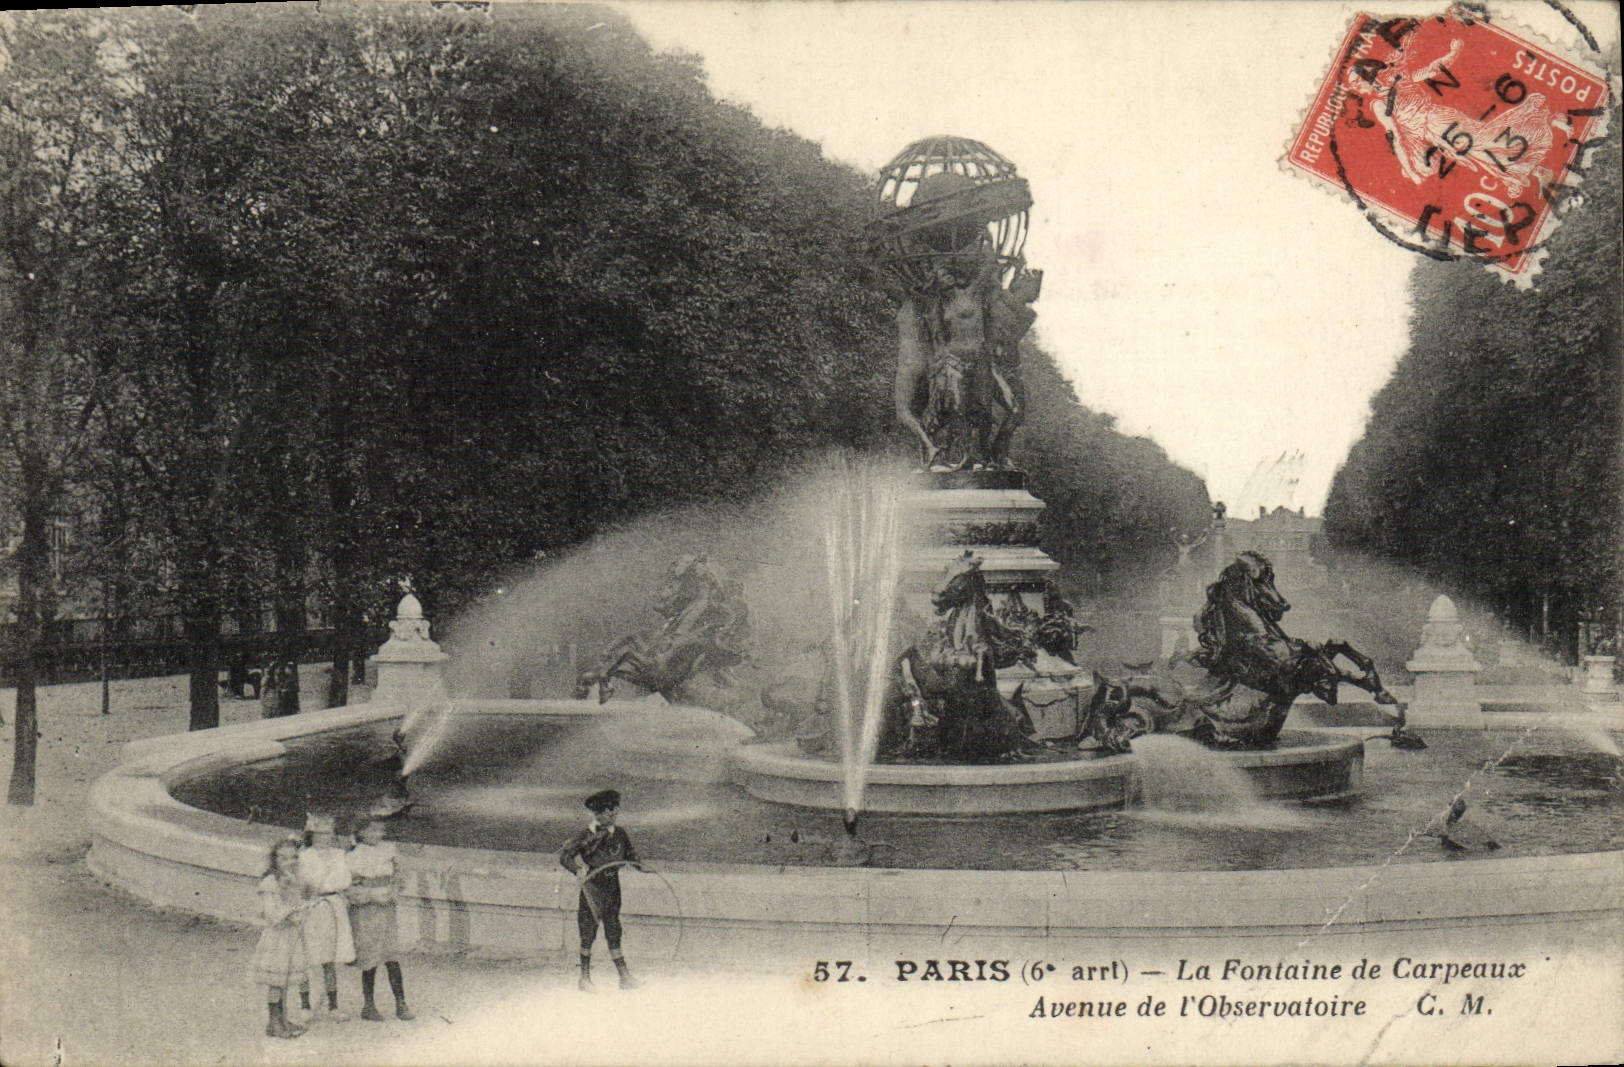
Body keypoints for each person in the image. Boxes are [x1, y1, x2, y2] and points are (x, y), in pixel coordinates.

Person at [558, 789, 646, 992]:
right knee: (588, 931)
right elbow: (565, 857)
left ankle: (624, 977)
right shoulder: (585, 835)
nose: (613, 817)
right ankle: (584, 978)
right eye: (608, 814)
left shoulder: (620, 833)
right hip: (592, 886)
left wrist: (641, 866)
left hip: (612, 885)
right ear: (597, 814)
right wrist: (578, 869)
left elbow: (631, 854)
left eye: (615, 813)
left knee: (614, 928)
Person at [346, 817, 415, 1022]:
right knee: (370, 956)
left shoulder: (389, 851)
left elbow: (400, 875)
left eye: (379, 831)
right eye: (371, 831)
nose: (376, 835)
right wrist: (369, 895)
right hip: (366, 909)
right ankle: (368, 1005)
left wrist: (393, 891)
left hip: (386, 907)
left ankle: (401, 1003)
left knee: (391, 954)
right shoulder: (353, 856)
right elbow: (348, 885)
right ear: (361, 833)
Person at [248, 837, 311, 1040]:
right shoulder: (270, 883)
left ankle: (282, 1018)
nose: (289, 862)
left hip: (292, 936)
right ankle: (273, 1022)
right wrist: (290, 912)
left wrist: (301, 911)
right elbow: (271, 914)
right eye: (283, 859)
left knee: (285, 980)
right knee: (276, 980)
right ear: (274, 861)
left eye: (293, 858)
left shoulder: (295, 880)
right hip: (277, 938)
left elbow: (300, 905)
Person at [298, 813, 356, 1020]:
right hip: (310, 906)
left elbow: (344, 880)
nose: (323, 838)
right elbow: (304, 882)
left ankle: (333, 1006)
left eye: (327, 834)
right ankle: (305, 1005)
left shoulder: (339, 855)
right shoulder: (304, 856)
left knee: (329, 959)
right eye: (318, 834)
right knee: (305, 955)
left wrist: (330, 886)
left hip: (332, 907)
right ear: (311, 836)